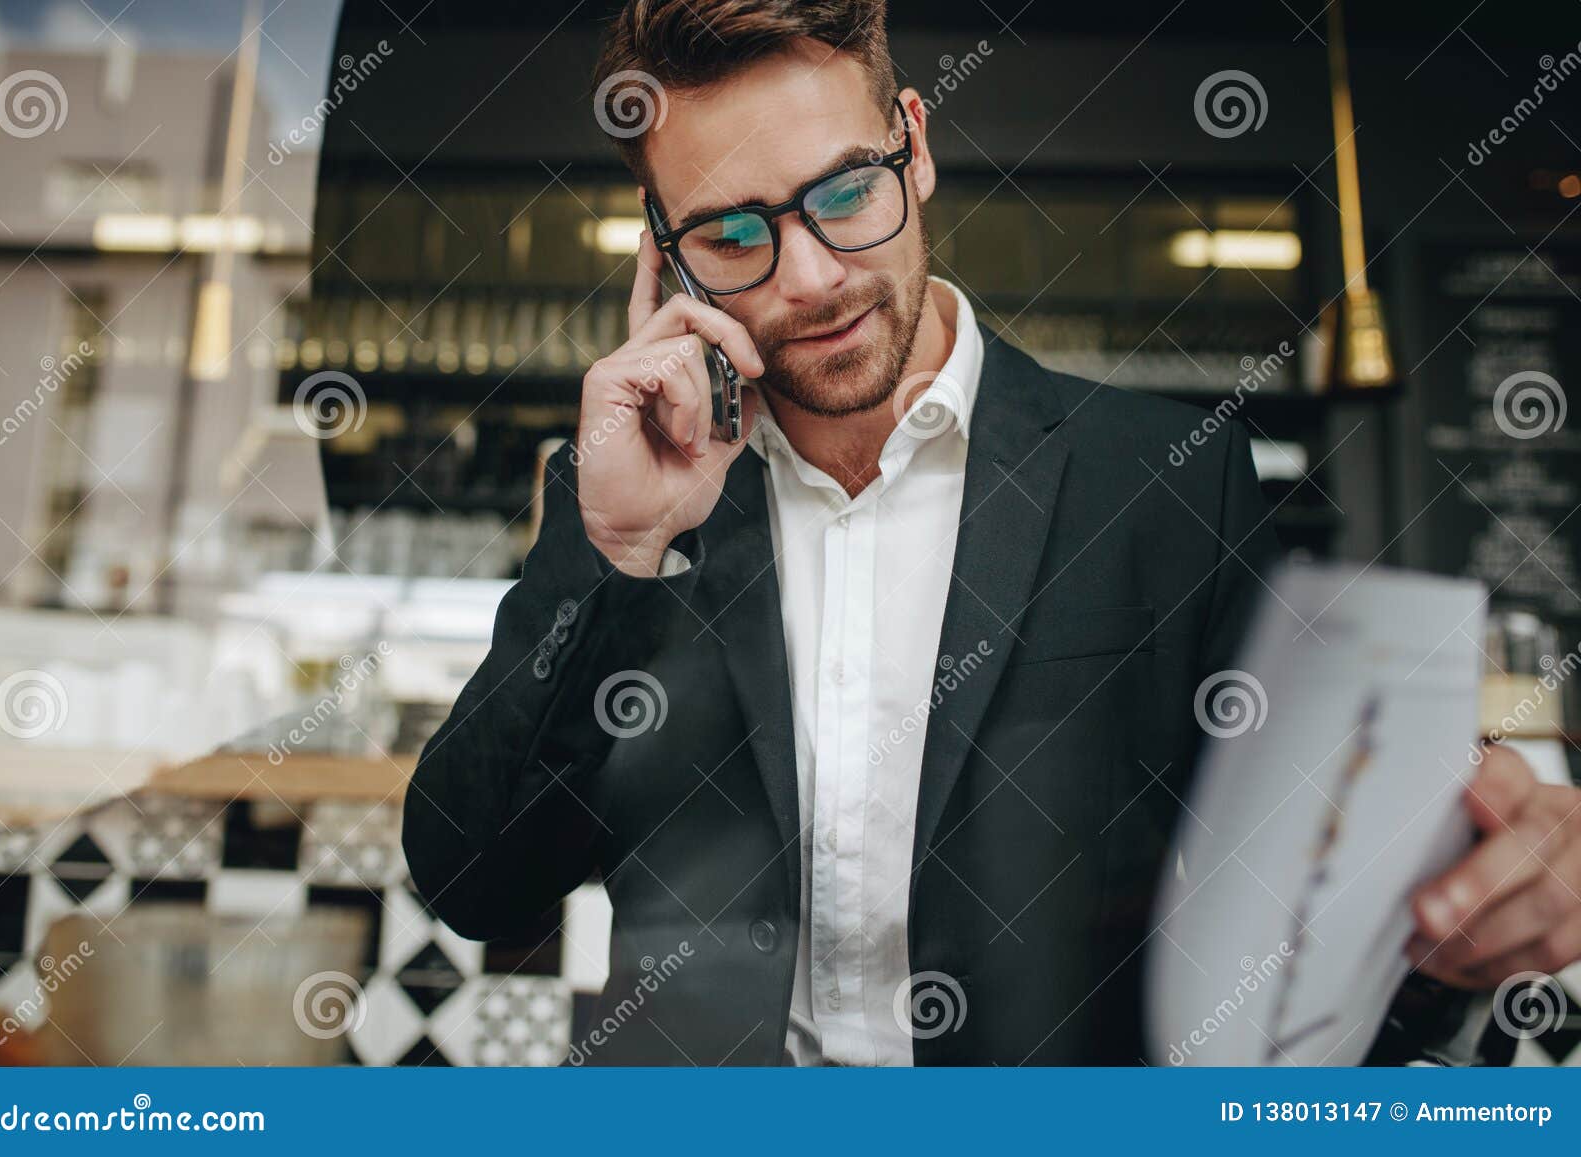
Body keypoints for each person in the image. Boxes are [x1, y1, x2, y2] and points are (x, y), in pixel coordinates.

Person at [403, 0, 1581, 1065]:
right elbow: (476, 883)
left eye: (845, 192)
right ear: (663, 249)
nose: (810, 276)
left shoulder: (1165, 479)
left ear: (913, 146)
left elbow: (1287, 913)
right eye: (732, 234)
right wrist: (614, 549)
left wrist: (1444, 919)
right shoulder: (639, 505)